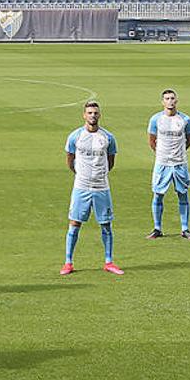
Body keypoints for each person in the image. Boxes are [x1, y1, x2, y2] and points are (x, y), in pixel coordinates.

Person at [62, 102, 123, 275]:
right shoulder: (75, 136)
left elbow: (110, 161)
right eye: (89, 113)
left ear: (100, 115)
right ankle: (68, 262)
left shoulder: (107, 137)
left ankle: (109, 261)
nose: (92, 116)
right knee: (75, 223)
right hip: (81, 186)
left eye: (95, 113)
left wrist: (99, 174)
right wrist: (80, 173)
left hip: (101, 187)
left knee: (106, 224)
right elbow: (70, 158)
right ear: (84, 115)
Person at [146, 89, 190, 241]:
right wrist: (162, 154)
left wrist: (178, 153)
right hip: (162, 163)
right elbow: (152, 140)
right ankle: (157, 228)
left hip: (180, 162)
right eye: (167, 98)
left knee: (183, 194)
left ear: (176, 101)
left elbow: (189, 139)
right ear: (162, 102)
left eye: (172, 98)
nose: (170, 101)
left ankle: (185, 229)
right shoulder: (156, 119)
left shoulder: (185, 119)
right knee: (158, 194)